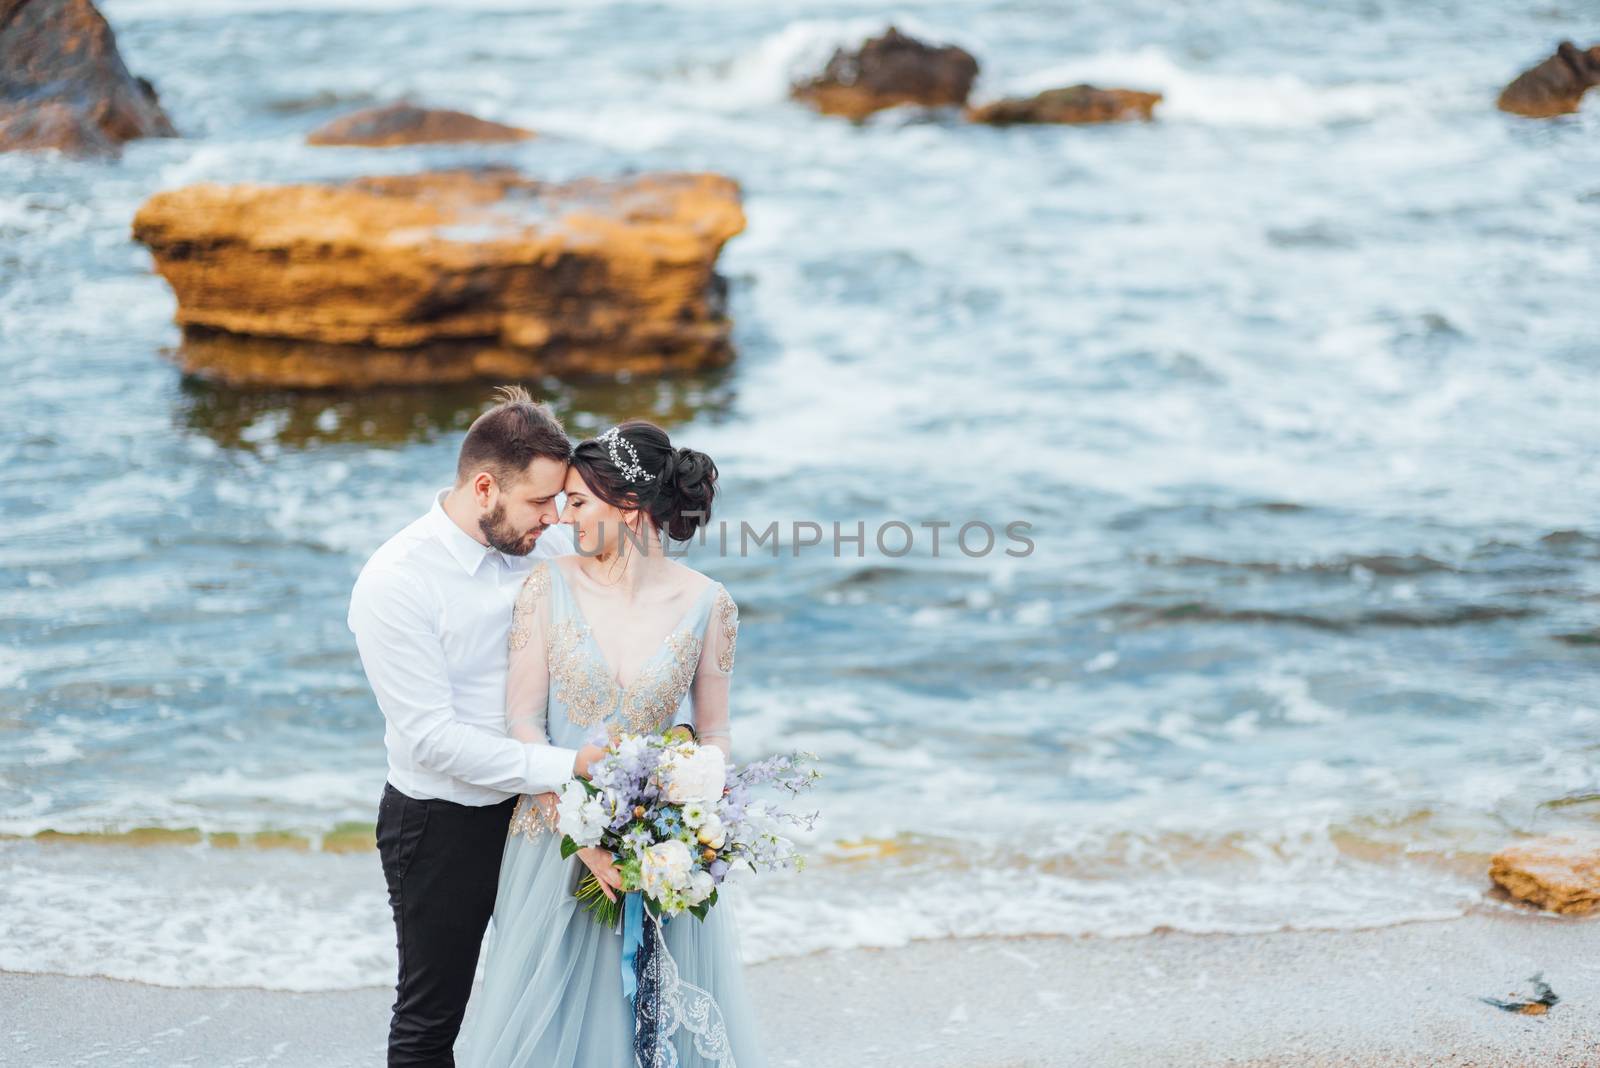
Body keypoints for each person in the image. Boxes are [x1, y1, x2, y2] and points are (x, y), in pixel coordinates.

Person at [456, 419, 766, 1068]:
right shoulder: (548, 587)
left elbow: (712, 733)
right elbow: (522, 727)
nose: (564, 519)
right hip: (553, 845)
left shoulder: (711, 604)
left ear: (628, 508)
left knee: (653, 1030)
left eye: (577, 502)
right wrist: (586, 838)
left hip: (659, 859)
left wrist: (692, 824)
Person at [348, 386, 608, 1067]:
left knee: (562, 995)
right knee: (432, 1019)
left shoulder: (543, 553)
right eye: (538, 503)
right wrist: (569, 766)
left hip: (545, 814)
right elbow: (432, 739)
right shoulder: (396, 582)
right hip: (442, 824)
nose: (552, 520)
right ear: (485, 487)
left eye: (560, 502)